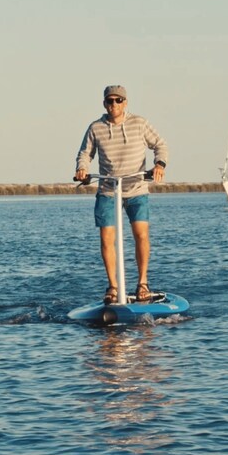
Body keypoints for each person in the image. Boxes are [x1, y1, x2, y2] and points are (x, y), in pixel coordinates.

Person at [74, 85, 168, 304]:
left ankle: (143, 284)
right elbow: (85, 154)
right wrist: (82, 169)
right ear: (104, 103)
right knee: (107, 239)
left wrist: (159, 164)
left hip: (136, 188)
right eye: (109, 101)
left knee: (141, 234)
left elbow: (160, 145)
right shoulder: (96, 128)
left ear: (125, 103)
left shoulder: (139, 123)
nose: (113, 105)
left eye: (118, 100)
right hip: (108, 189)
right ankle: (113, 288)